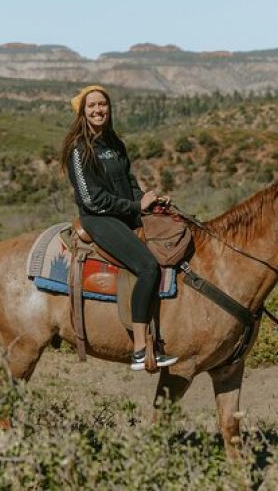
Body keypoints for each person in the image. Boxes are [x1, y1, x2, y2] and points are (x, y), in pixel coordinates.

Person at [61, 84, 178, 371]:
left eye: (103, 105)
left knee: (173, 230)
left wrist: (148, 202)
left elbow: (131, 185)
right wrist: (135, 208)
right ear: (82, 112)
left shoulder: (114, 144)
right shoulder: (78, 150)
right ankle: (140, 348)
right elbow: (92, 199)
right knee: (148, 267)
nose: (98, 110)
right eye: (92, 106)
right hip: (99, 219)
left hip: (124, 213)